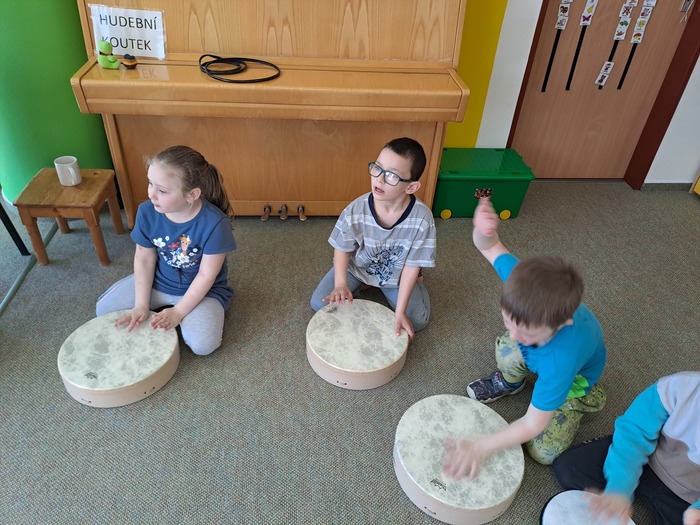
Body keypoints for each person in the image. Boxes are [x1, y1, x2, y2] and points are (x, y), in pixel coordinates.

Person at [442, 197, 607, 478]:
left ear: (562, 322)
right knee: (508, 349)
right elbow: (489, 246)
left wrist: (480, 447)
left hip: (574, 379)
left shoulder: (560, 361)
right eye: (509, 321)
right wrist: (483, 230)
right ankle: (512, 382)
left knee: (544, 453)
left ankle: (585, 399)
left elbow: (532, 424)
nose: (514, 334)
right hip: (547, 355)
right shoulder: (523, 284)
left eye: (526, 332)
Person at [96, 145, 236, 356]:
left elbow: (206, 276)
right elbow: (144, 258)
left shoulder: (216, 223)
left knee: (203, 346)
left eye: (162, 190)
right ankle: (159, 307)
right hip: (159, 282)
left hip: (203, 292)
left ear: (191, 195)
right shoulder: (146, 211)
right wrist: (141, 305)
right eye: (150, 183)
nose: (151, 194)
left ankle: (176, 312)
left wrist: (179, 312)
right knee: (103, 311)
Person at [310, 137, 436, 340]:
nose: (379, 179)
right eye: (377, 168)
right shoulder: (356, 209)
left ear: (411, 187)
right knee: (319, 304)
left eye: (392, 176)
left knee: (417, 320)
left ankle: (415, 284)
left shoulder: (423, 219)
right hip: (357, 269)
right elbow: (342, 247)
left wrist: (401, 311)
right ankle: (363, 283)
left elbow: (412, 264)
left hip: (397, 276)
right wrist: (341, 283)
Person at [552, 371, 700, 525]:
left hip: (689, 497)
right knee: (569, 467)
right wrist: (619, 487)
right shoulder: (676, 388)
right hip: (646, 459)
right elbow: (633, 435)